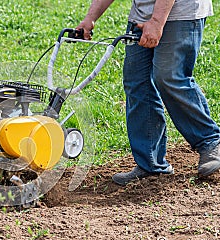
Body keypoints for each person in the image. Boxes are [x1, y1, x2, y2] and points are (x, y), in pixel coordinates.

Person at [76, 0, 220, 186]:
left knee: (169, 77)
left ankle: (211, 142)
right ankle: (150, 163)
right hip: (142, 15)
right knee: (137, 83)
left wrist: (157, 22)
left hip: (181, 12)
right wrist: (90, 18)